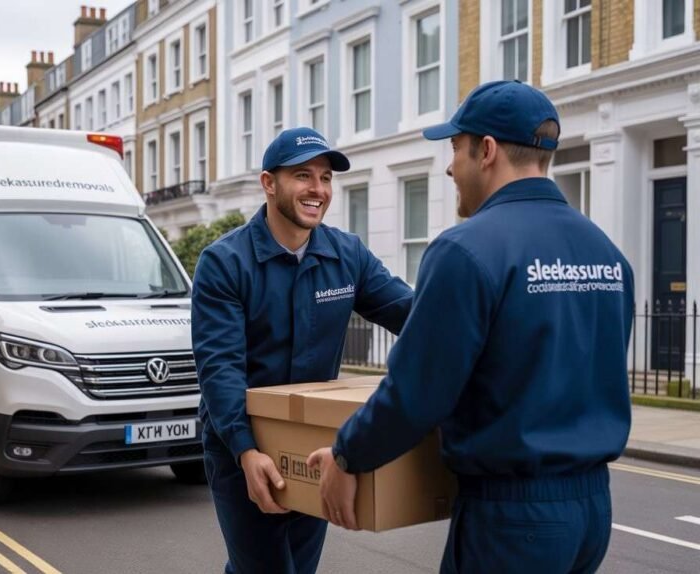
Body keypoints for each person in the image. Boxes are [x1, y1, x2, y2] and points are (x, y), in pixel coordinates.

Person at [308, 81, 634, 573]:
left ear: (486, 151)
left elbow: (417, 392)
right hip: (592, 512)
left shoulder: (466, 249)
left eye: (455, 148)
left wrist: (346, 455)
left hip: (512, 520)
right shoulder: (607, 253)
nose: (448, 165)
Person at [192, 127, 413, 573]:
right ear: (269, 184)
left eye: (326, 177)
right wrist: (245, 450)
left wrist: (482, 325)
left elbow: (410, 313)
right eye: (303, 175)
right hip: (242, 445)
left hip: (311, 443)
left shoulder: (346, 254)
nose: (318, 189)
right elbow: (221, 367)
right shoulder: (224, 263)